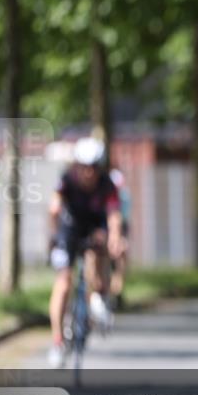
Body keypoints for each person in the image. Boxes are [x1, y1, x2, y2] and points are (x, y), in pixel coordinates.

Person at [46, 137, 124, 367]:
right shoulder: (67, 180)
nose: (89, 173)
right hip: (69, 229)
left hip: (94, 227)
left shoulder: (107, 184)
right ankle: (58, 341)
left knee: (100, 252)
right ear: (77, 166)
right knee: (64, 282)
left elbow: (114, 216)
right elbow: (54, 208)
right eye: (84, 167)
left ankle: (98, 298)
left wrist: (115, 237)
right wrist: (53, 236)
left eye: (94, 168)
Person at [108, 168, 131, 310]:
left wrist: (120, 238)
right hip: (106, 228)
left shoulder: (124, 196)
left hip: (120, 229)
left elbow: (123, 220)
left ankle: (117, 293)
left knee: (121, 258)